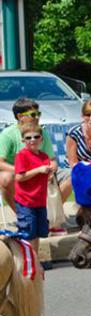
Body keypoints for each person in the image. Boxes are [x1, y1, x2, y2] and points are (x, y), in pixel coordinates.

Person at [0, 98, 58, 212]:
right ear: (20, 116)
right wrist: (23, 172)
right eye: (33, 114)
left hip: (42, 172)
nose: (37, 117)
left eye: (38, 114)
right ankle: (22, 215)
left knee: (69, 175)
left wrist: (52, 170)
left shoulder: (42, 133)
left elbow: (53, 160)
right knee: (5, 178)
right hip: (19, 174)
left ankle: (50, 217)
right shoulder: (8, 134)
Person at [14, 122, 51, 254]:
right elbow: (19, 177)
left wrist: (49, 173)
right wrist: (38, 170)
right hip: (25, 201)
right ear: (23, 140)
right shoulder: (22, 155)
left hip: (39, 201)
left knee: (38, 232)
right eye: (28, 138)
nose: (32, 140)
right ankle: (28, 259)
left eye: (36, 136)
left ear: (41, 138)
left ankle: (34, 257)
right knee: (28, 232)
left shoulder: (44, 156)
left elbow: (46, 174)